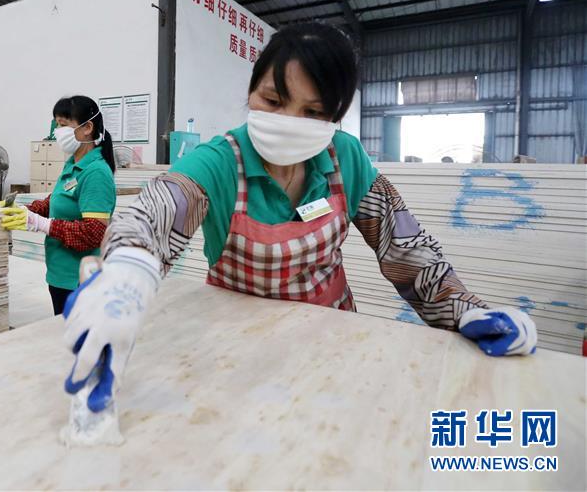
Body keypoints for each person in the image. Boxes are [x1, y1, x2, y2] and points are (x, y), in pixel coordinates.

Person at [62, 23, 538, 412]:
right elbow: (156, 211)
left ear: (336, 115)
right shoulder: (221, 161)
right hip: (235, 352)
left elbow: (405, 248)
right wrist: (126, 278)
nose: (288, 120)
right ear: (251, 91)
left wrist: (463, 308)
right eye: (272, 101)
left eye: (312, 111)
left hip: (332, 346)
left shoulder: (345, 159)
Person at [1, 96, 117, 316]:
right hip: (60, 275)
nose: (57, 133)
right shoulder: (73, 164)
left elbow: (94, 232)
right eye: (57, 125)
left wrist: (42, 224)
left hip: (80, 280)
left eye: (63, 125)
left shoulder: (96, 173)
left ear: (87, 128)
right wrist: (25, 210)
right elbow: (56, 201)